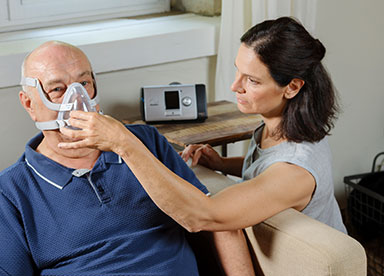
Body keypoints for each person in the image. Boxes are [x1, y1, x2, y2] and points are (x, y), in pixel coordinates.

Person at [0, 41, 285, 276]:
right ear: (29, 103)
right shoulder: (11, 193)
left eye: (84, 83)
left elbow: (218, 221)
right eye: (57, 90)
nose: (76, 99)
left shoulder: (145, 144)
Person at [59, 17, 347, 235]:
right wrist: (222, 163)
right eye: (238, 70)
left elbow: (202, 216)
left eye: (253, 80)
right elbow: (265, 170)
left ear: (292, 87)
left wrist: (123, 143)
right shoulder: (280, 125)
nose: (235, 86)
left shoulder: (296, 171)